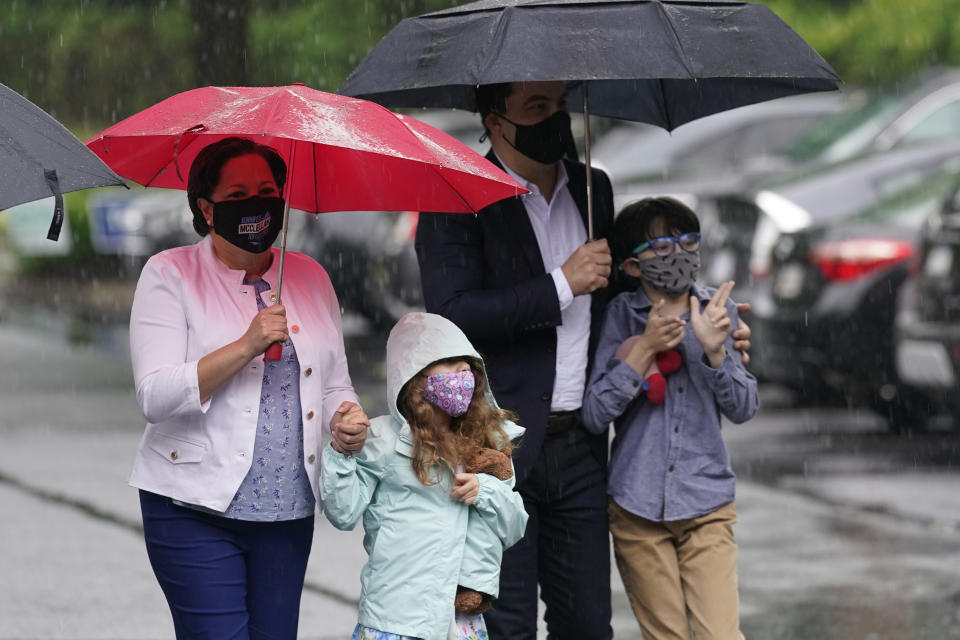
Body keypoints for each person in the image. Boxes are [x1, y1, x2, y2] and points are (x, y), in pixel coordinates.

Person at [416, 80, 753, 639]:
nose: (555, 118)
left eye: (560, 104)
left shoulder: (592, 186)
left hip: (583, 446)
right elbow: (451, 313)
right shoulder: (457, 194)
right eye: (536, 107)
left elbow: (634, 290)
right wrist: (559, 285)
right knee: (508, 624)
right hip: (497, 444)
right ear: (494, 119)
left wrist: (711, 324)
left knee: (588, 624)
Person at [128, 136, 370, 639]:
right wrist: (245, 346)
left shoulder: (310, 276)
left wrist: (344, 417)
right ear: (206, 207)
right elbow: (154, 396)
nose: (256, 203)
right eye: (238, 193)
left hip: (286, 512)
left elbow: (334, 384)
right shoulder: (169, 274)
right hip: (192, 510)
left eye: (267, 190)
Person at [582, 197, 759, 640]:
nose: (678, 254)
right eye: (661, 247)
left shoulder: (719, 312)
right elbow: (594, 413)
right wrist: (642, 348)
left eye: (687, 242)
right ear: (633, 266)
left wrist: (715, 350)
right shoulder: (619, 317)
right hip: (636, 506)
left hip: (707, 503)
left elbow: (744, 408)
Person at [320, 311, 528, 640]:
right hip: (395, 617)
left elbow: (514, 526)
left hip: (460, 623)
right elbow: (343, 512)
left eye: (467, 365)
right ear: (415, 376)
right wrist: (342, 453)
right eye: (448, 362)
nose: (462, 372)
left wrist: (485, 491)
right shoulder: (384, 440)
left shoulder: (486, 441)